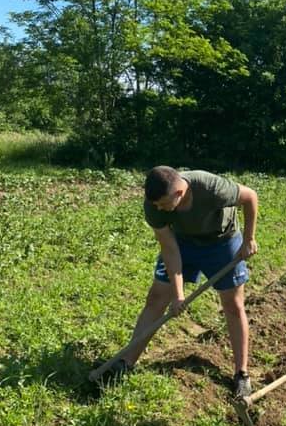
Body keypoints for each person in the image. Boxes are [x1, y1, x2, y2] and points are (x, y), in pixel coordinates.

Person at [104, 166, 258, 398]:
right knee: (156, 298)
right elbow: (170, 249)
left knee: (233, 306)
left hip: (222, 241)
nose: (158, 208)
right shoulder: (153, 204)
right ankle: (126, 362)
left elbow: (250, 196)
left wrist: (248, 239)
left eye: (163, 204)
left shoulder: (211, 187)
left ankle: (242, 375)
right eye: (155, 204)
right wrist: (177, 295)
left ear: (179, 193)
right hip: (183, 243)